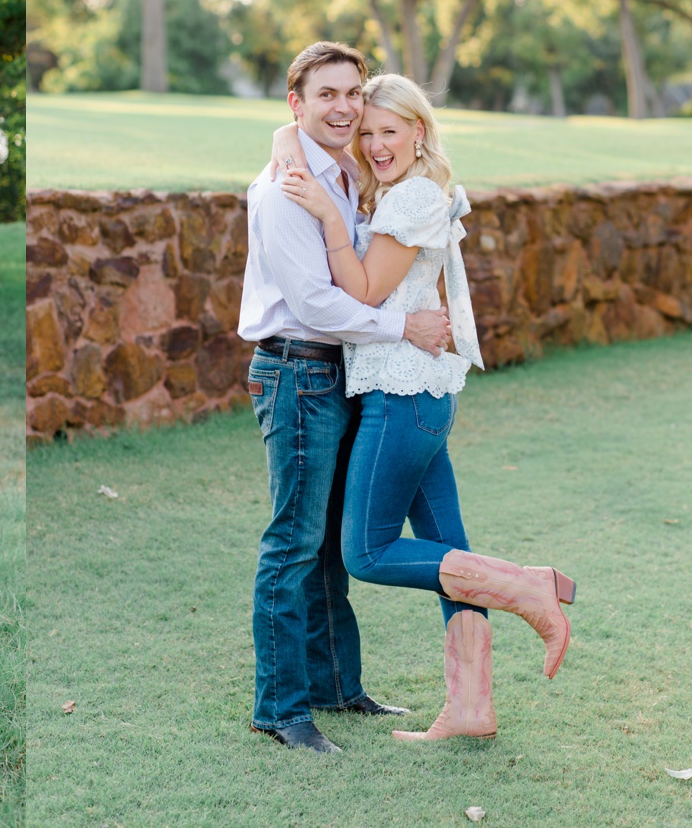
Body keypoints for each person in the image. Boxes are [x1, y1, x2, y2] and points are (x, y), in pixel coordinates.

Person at [277, 72, 575, 742]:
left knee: (367, 551)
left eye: (391, 130)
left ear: (419, 131)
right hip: (422, 393)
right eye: (368, 131)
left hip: (401, 395)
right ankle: (471, 708)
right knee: (447, 549)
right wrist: (290, 133)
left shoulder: (410, 198)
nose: (377, 144)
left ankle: (527, 587)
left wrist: (327, 216)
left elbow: (363, 288)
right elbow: (287, 135)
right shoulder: (402, 190)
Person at [239, 41, 455, 754]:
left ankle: (337, 687)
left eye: (352, 94)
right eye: (325, 94)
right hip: (298, 370)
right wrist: (406, 326)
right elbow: (317, 303)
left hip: (341, 374)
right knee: (294, 542)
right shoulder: (284, 189)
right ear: (296, 103)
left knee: (332, 544)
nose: (344, 107)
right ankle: (280, 709)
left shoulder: (338, 172)